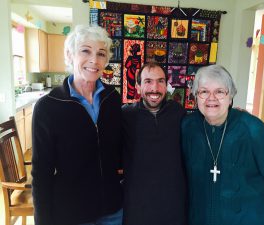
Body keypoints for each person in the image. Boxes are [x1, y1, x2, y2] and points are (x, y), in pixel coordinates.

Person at [31, 25, 123, 225]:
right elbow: (41, 172)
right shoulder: (48, 107)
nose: (94, 60)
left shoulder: (112, 98)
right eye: (85, 51)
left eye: (101, 53)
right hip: (73, 213)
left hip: (112, 210)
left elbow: (118, 150)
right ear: (70, 55)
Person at [181, 65, 264, 225]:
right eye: (204, 91)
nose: (211, 98)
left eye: (219, 91)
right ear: (196, 97)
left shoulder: (253, 128)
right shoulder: (188, 127)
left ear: (230, 97)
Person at [122, 62, 187, 225]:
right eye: (148, 81)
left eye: (160, 81)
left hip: (173, 205)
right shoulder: (125, 115)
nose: (155, 88)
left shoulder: (179, 112)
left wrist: (231, 113)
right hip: (137, 205)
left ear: (166, 85)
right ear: (137, 86)